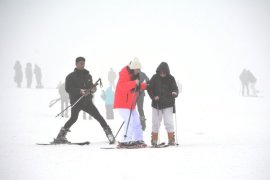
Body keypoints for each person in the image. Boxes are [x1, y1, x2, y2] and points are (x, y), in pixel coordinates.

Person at [53, 57, 115, 144]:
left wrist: (93, 89)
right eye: (81, 63)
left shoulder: (88, 75)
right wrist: (79, 91)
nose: (82, 65)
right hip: (76, 101)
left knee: (98, 116)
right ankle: (61, 136)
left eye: (83, 63)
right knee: (73, 119)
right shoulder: (70, 76)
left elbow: (90, 87)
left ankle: (109, 134)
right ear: (76, 64)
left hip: (87, 102)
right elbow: (68, 89)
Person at [114, 57, 148, 148]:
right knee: (130, 121)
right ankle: (125, 141)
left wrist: (146, 86)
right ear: (132, 68)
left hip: (130, 104)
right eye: (137, 69)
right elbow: (122, 86)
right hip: (122, 103)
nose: (138, 71)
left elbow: (136, 86)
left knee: (136, 121)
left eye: (139, 69)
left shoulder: (134, 75)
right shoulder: (124, 73)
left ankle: (138, 139)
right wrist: (134, 83)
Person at [147, 62, 178, 146]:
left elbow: (175, 88)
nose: (162, 74)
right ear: (159, 71)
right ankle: (154, 140)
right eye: (161, 72)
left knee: (168, 122)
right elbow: (149, 88)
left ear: (167, 72)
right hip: (157, 104)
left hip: (168, 104)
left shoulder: (171, 78)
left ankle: (171, 139)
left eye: (164, 72)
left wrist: (175, 93)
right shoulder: (154, 77)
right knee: (155, 122)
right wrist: (154, 97)